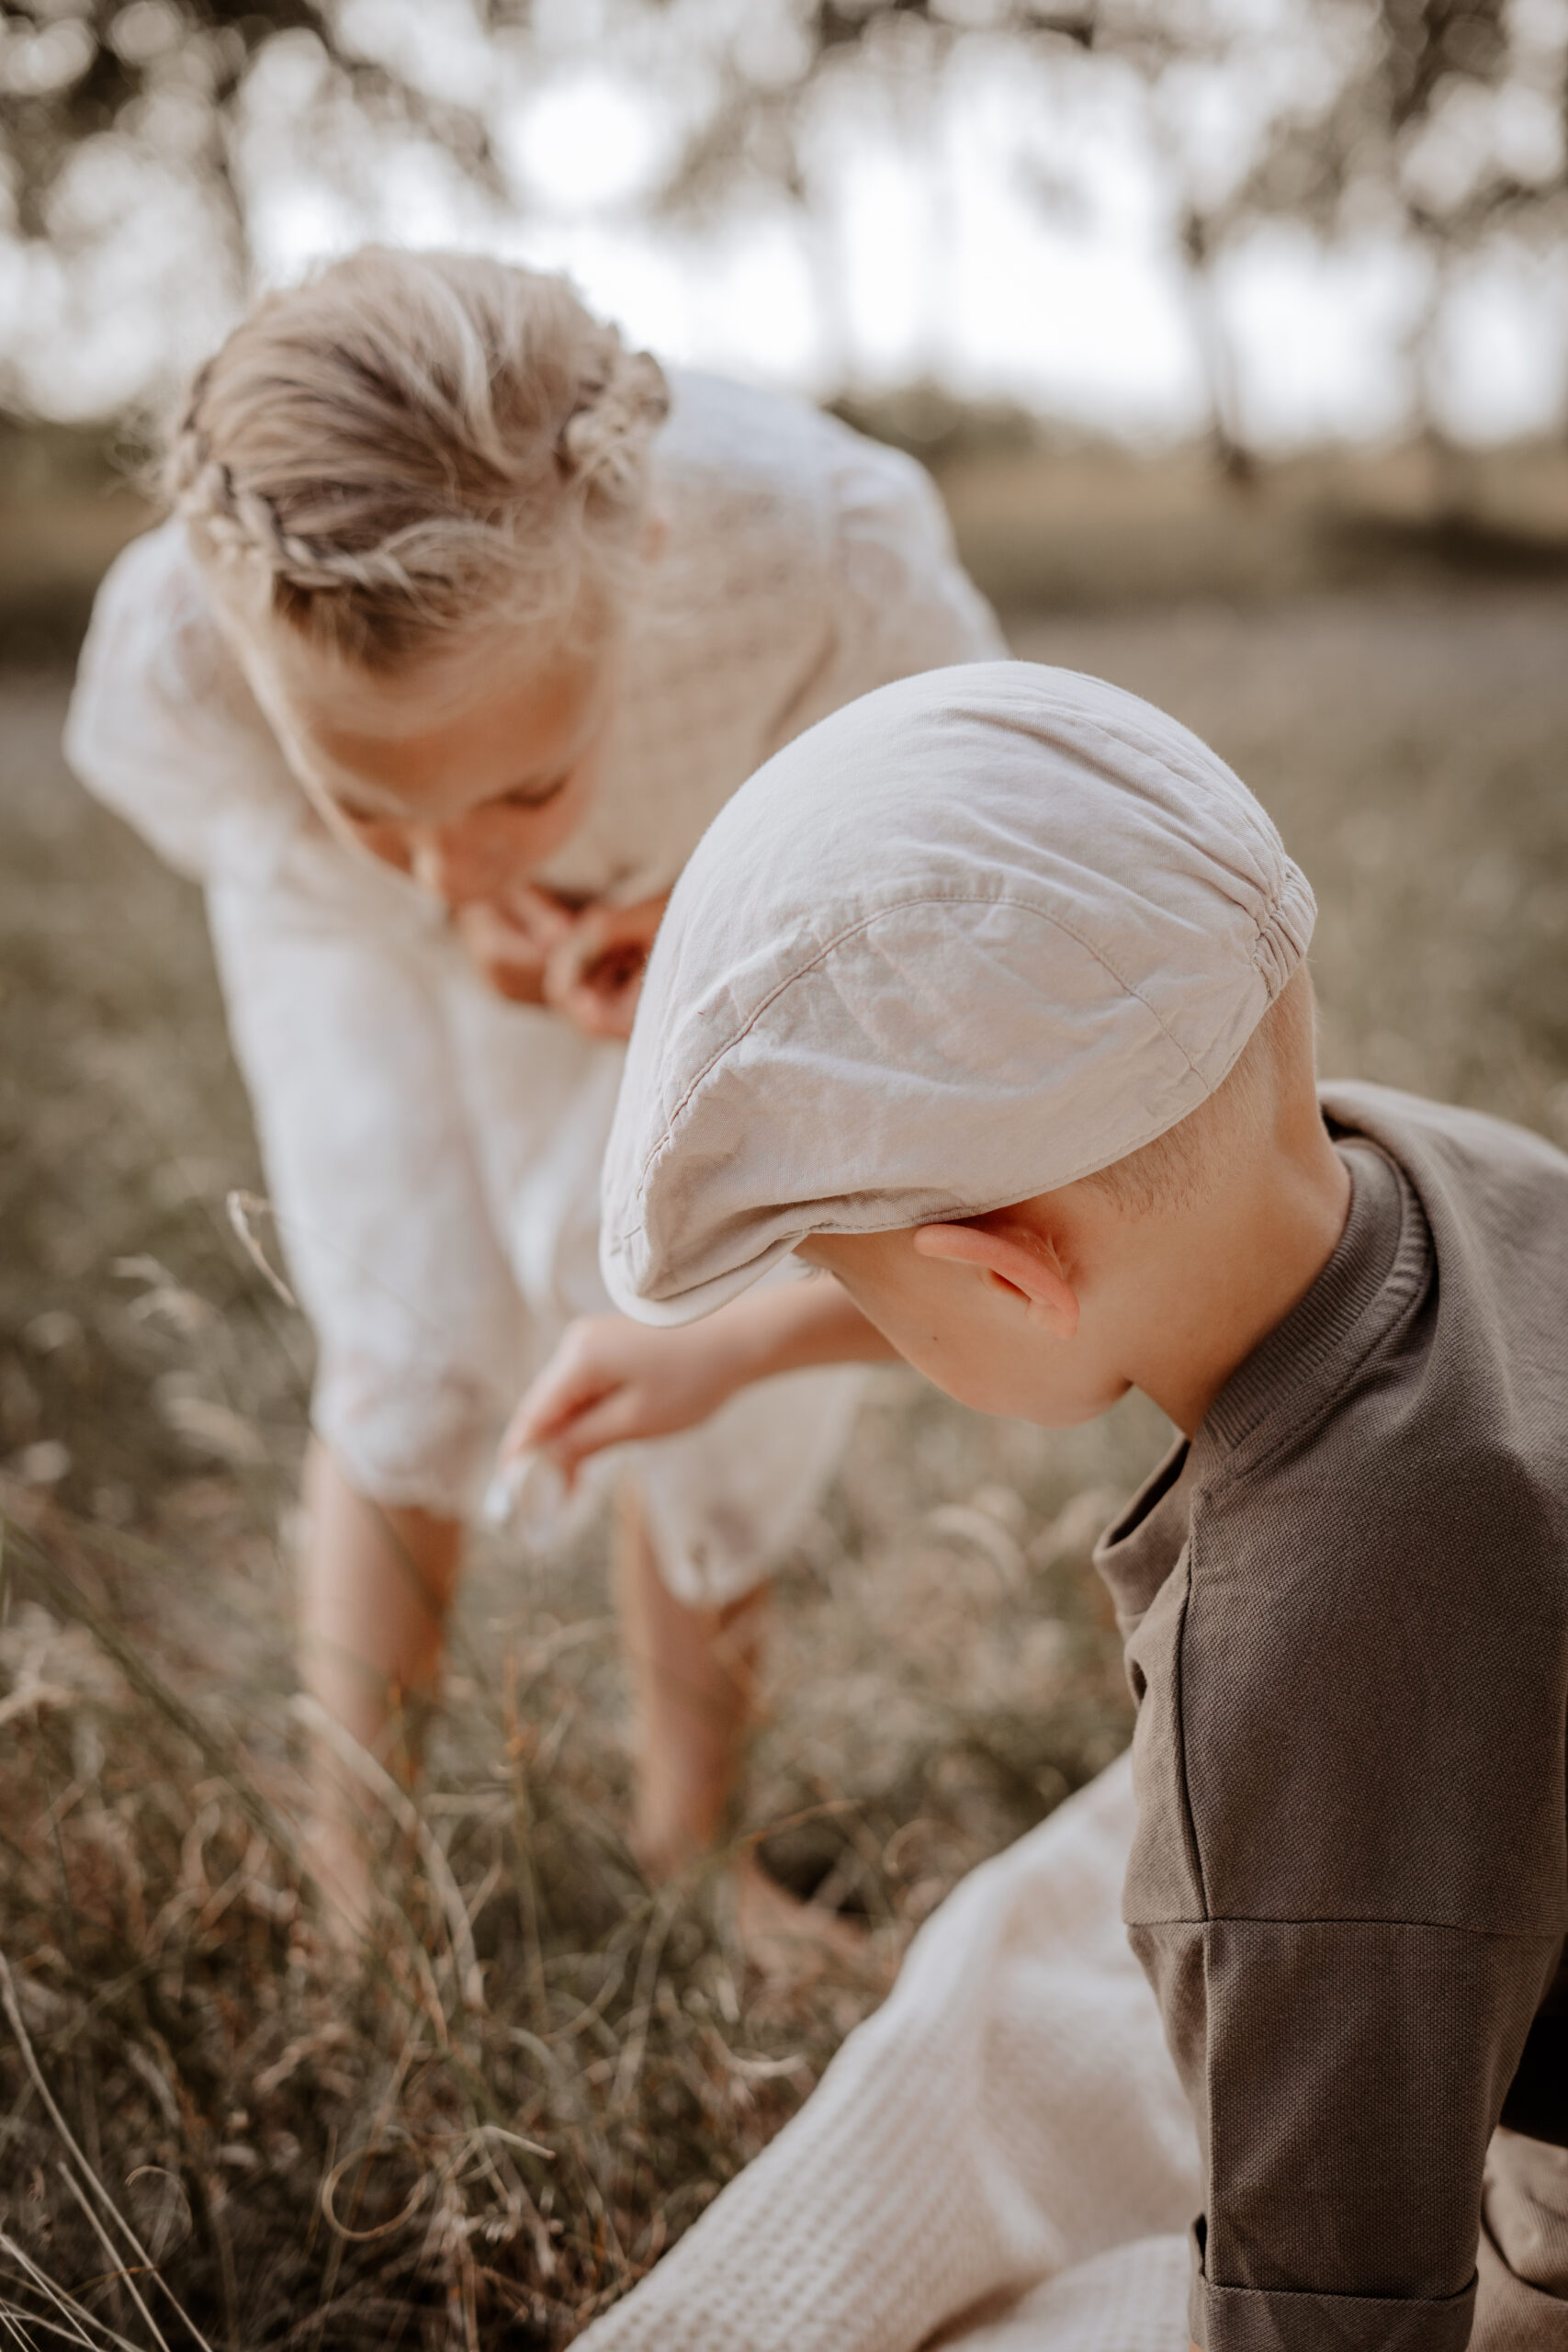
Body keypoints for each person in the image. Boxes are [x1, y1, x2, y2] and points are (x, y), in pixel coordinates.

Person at [510, 662, 1568, 2348]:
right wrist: (740, 1352)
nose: (846, 1309)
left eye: (838, 1278)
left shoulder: (1291, 1687)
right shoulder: (1458, 1172)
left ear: (1004, 1278)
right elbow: (1044, 1273)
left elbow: (1331, 2299)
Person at [63, 248, 1002, 1926]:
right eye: (379, 798)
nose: (457, 859)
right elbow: (261, 818)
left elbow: (945, 818)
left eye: (524, 786)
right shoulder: (190, 640)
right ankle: (362, 1890)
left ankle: (695, 1851)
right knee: (406, 1322)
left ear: (649, 551)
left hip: (727, 904)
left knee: (692, 1296)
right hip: (347, 940)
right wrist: (418, 900)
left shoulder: (830, 559)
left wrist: (712, 909)